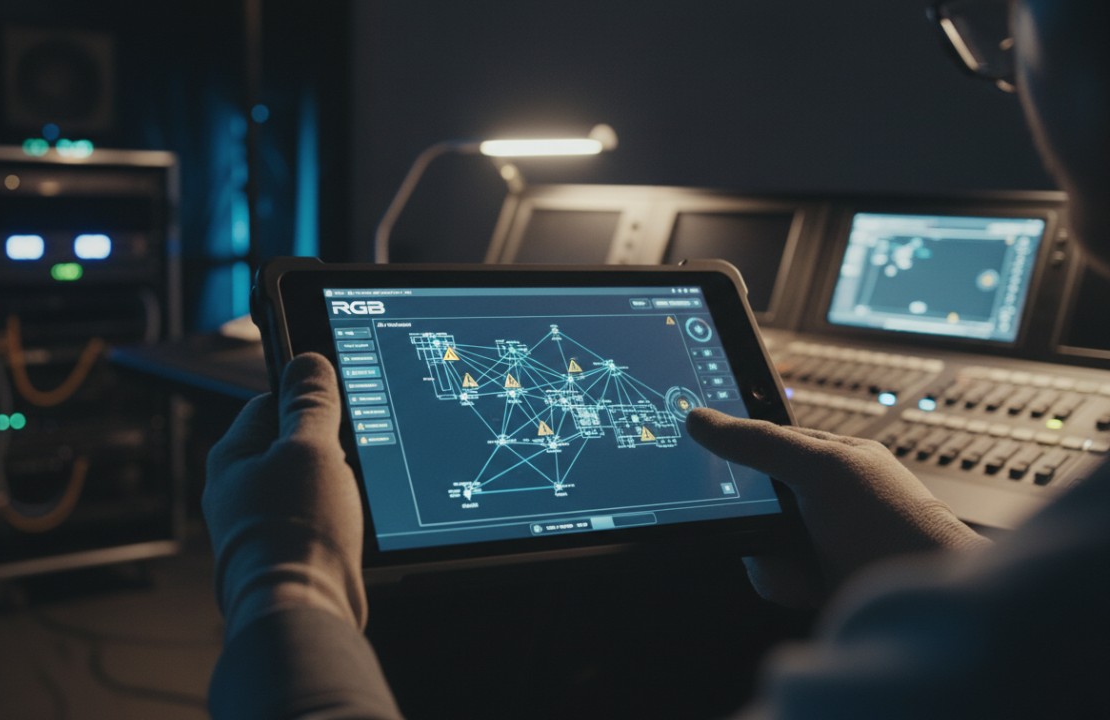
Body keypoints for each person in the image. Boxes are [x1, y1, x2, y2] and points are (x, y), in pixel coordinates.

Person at [203, 1, 1110, 716]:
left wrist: (285, 583)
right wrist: (927, 553)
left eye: (1007, 28)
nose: (1007, 77)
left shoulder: (1029, 626)